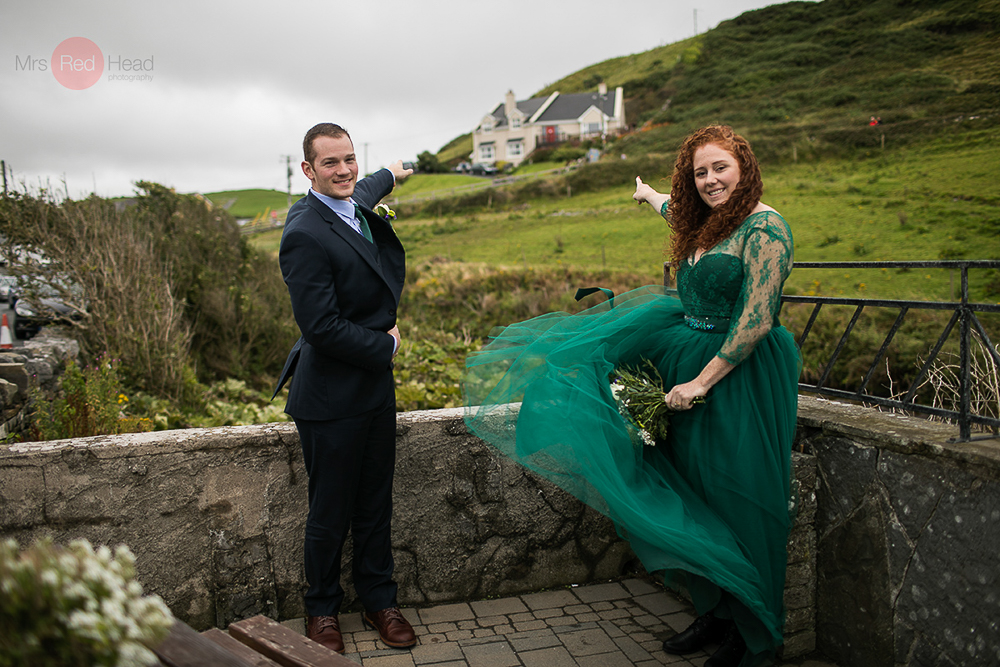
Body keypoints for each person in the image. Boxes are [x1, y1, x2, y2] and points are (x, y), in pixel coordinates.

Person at [464, 125, 799, 667]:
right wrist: (648, 195)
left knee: (739, 496)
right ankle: (715, 611)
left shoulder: (766, 229)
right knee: (693, 491)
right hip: (683, 361)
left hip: (735, 375)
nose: (711, 180)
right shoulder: (704, 219)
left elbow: (757, 320)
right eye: (700, 172)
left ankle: (751, 627)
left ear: (745, 168)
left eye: (721, 168)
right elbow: (673, 209)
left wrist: (701, 381)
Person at [273, 122, 414, 654]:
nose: (344, 170)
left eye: (350, 158)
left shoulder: (352, 197)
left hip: (374, 391)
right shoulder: (303, 233)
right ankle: (322, 611)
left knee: (375, 504)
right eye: (330, 163)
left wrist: (392, 173)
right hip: (330, 398)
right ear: (308, 170)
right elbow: (321, 328)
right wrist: (387, 347)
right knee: (330, 512)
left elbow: (367, 186)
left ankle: (380, 601)